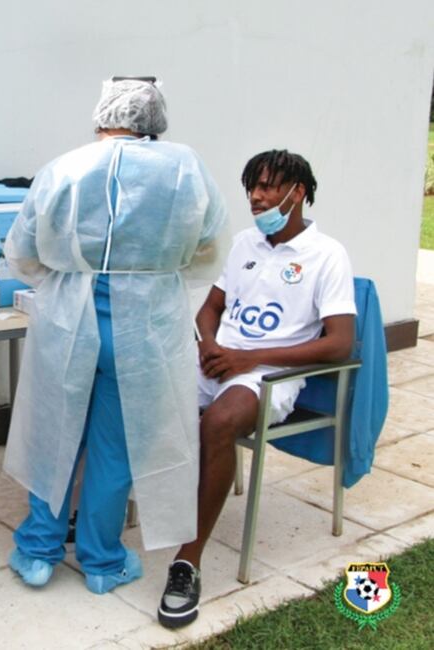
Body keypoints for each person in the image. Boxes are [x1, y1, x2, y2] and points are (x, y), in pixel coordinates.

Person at [2, 78, 227, 594]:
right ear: (155, 120)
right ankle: (102, 563)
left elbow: (23, 251)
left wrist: (70, 278)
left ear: (103, 115)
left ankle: (38, 552)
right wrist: (150, 274)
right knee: (117, 446)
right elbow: (209, 248)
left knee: (53, 435)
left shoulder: (65, 167)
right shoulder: (184, 167)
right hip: (144, 328)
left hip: (68, 321)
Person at [157, 150, 355, 629]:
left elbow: (340, 342)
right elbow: (210, 308)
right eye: (252, 187)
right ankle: (109, 518)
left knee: (219, 425)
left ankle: (188, 561)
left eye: (267, 187)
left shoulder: (327, 255)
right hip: (222, 357)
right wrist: (210, 345)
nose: (256, 197)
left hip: (267, 373)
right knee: (146, 396)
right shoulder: (246, 243)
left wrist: (248, 359)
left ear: (298, 192)